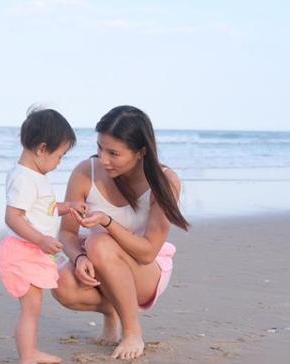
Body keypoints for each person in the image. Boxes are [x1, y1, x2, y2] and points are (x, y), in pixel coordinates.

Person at [51, 105, 189, 360]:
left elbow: (148, 252)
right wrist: (78, 259)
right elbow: (67, 233)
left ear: (140, 152)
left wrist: (107, 222)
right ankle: (112, 310)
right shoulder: (85, 172)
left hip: (145, 270)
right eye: (100, 148)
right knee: (61, 284)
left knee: (100, 242)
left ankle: (132, 331)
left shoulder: (164, 181)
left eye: (114, 153)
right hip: (95, 258)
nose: (103, 159)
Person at [0, 108, 88, 364]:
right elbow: (13, 217)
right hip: (23, 251)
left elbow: (42, 208)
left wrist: (66, 206)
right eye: (59, 156)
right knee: (31, 308)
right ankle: (28, 356)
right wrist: (41, 239)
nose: (59, 162)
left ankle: (30, 352)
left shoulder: (35, 176)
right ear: (42, 148)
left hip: (32, 251)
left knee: (33, 308)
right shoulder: (24, 178)